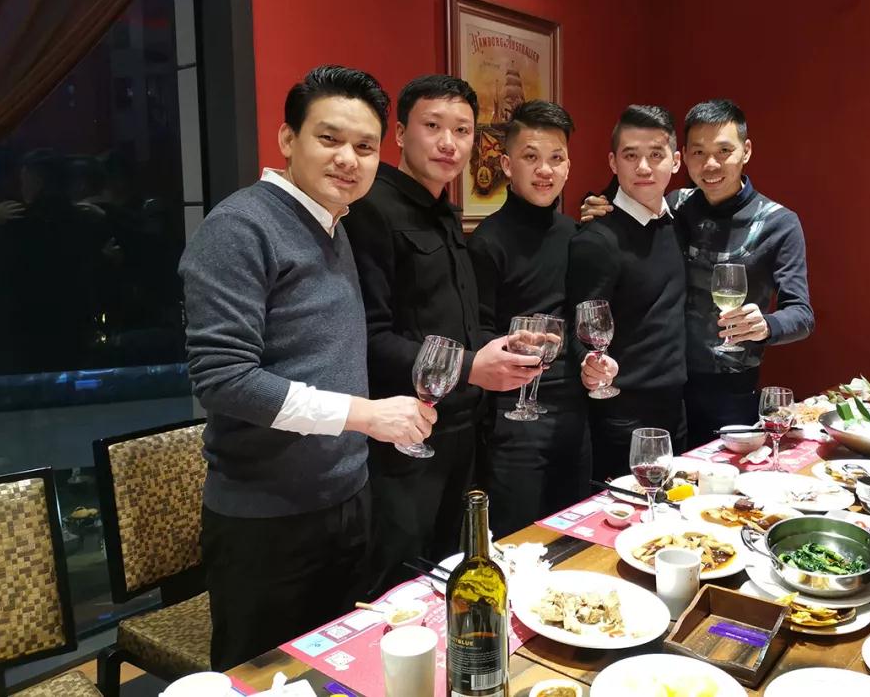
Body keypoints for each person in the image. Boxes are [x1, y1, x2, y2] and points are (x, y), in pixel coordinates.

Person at [180, 65, 435, 669]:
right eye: (329, 138)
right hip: (267, 519)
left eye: (365, 147)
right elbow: (223, 378)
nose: (348, 158)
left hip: (344, 499)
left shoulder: (333, 225)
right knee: (264, 677)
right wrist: (364, 416)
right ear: (287, 139)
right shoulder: (241, 227)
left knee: (335, 669)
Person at [342, 75, 542, 591]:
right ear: (400, 134)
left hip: (460, 428)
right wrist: (472, 366)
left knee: (451, 572)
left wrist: (493, 350)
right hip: (404, 438)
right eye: (433, 126)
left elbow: (449, 319)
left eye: (463, 130)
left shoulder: (443, 212)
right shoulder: (371, 209)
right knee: (399, 583)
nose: (448, 142)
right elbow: (369, 338)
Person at [582, 99, 814, 447]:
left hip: (731, 390)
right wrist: (600, 202)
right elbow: (632, 195)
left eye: (724, 151)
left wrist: (767, 325)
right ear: (684, 157)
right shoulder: (677, 205)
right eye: (699, 152)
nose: (711, 164)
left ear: (746, 150)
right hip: (666, 388)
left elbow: (802, 314)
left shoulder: (779, 223)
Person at [467, 100, 617, 537]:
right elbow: (478, 334)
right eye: (531, 157)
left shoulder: (576, 235)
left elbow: (583, 318)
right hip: (514, 420)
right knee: (520, 541)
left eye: (556, 158)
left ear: (569, 166)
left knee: (577, 534)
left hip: (573, 413)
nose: (545, 170)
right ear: (506, 165)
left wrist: (595, 362)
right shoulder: (487, 242)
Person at [566, 104, 688, 481]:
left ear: (676, 161)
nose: (644, 167)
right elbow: (579, 327)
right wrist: (590, 364)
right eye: (631, 156)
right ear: (613, 162)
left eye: (656, 155)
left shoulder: (678, 222)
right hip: (623, 414)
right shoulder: (597, 240)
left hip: (677, 406)